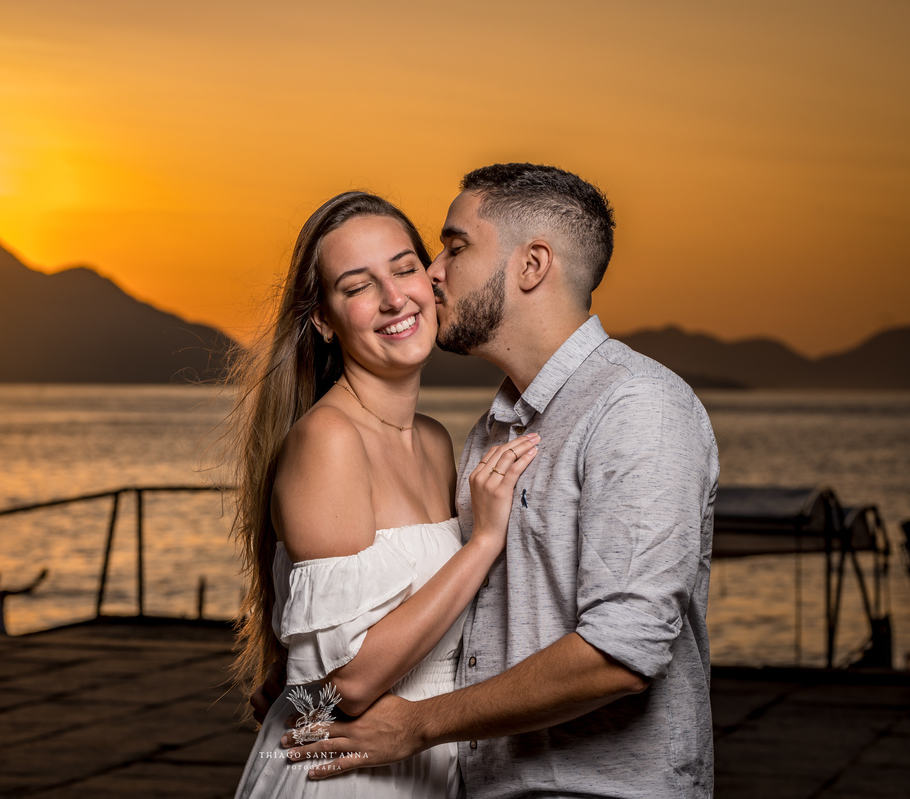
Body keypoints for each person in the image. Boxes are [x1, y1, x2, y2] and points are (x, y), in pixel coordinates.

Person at [276, 164, 720, 797]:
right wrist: (308, 688)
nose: (431, 273)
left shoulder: (637, 408)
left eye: (455, 248)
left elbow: (625, 652)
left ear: (531, 266)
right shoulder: (492, 428)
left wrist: (423, 724)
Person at [228, 191, 540, 797]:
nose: (395, 298)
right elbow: (348, 684)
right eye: (357, 286)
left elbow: (325, 673)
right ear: (322, 318)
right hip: (347, 777)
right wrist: (484, 542)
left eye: (403, 269)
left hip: (428, 763)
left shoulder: (434, 442)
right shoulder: (329, 440)